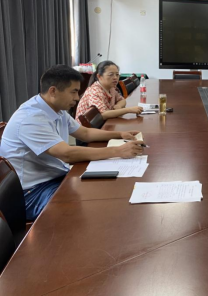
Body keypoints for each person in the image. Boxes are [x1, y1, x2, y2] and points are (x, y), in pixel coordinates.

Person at [0, 65, 145, 221]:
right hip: (31, 193)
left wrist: (119, 134)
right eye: (73, 92)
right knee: (82, 211)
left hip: (53, 176)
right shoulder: (30, 118)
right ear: (53, 91)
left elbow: (85, 133)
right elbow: (67, 154)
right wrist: (118, 151)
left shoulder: (57, 109)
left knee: (102, 192)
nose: (77, 98)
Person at [76, 61, 142, 122]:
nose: (115, 77)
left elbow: (122, 100)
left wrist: (118, 106)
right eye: (111, 75)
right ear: (99, 76)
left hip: (103, 123)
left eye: (117, 74)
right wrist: (129, 110)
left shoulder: (111, 88)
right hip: (86, 128)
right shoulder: (95, 91)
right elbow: (104, 114)